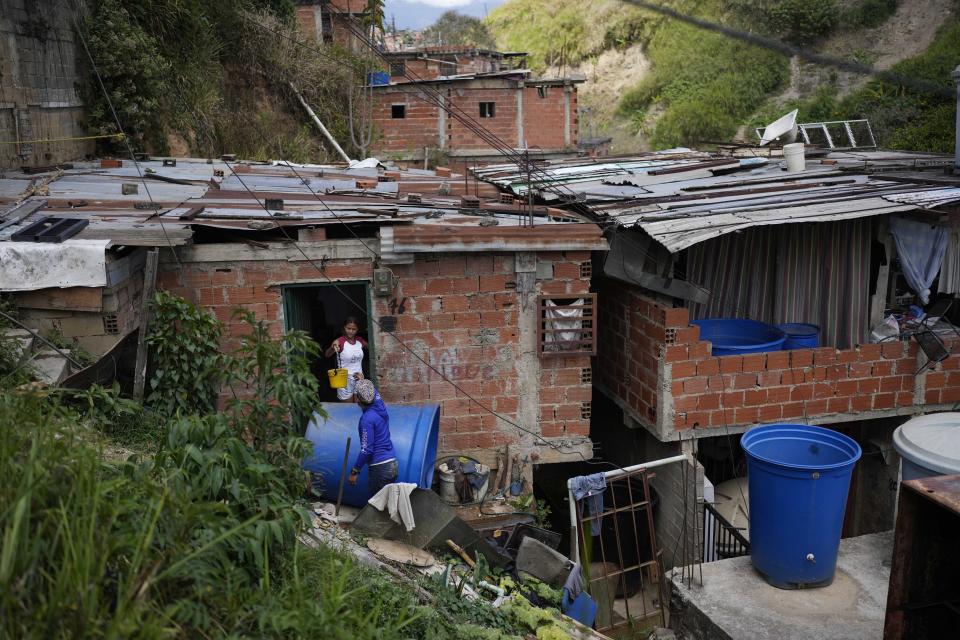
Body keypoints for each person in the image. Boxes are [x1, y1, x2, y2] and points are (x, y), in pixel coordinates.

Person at [347, 379, 398, 495]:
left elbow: (367, 450)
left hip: (380, 469)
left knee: (377, 507)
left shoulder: (366, 420)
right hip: (392, 465)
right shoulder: (379, 404)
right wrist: (361, 380)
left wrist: (354, 472)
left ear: (358, 400)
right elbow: (372, 391)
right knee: (386, 504)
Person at [324, 317, 367, 402]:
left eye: (353, 329)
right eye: (348, 328)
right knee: (348, 409)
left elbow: (372, 348)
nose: (350, 331)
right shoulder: (340, 341)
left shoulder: (360, 341)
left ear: (357, 329)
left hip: (359, 377)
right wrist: (333, 347)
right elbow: (327, 355)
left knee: (359, 407)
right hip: (344, 379)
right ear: (344, 328)